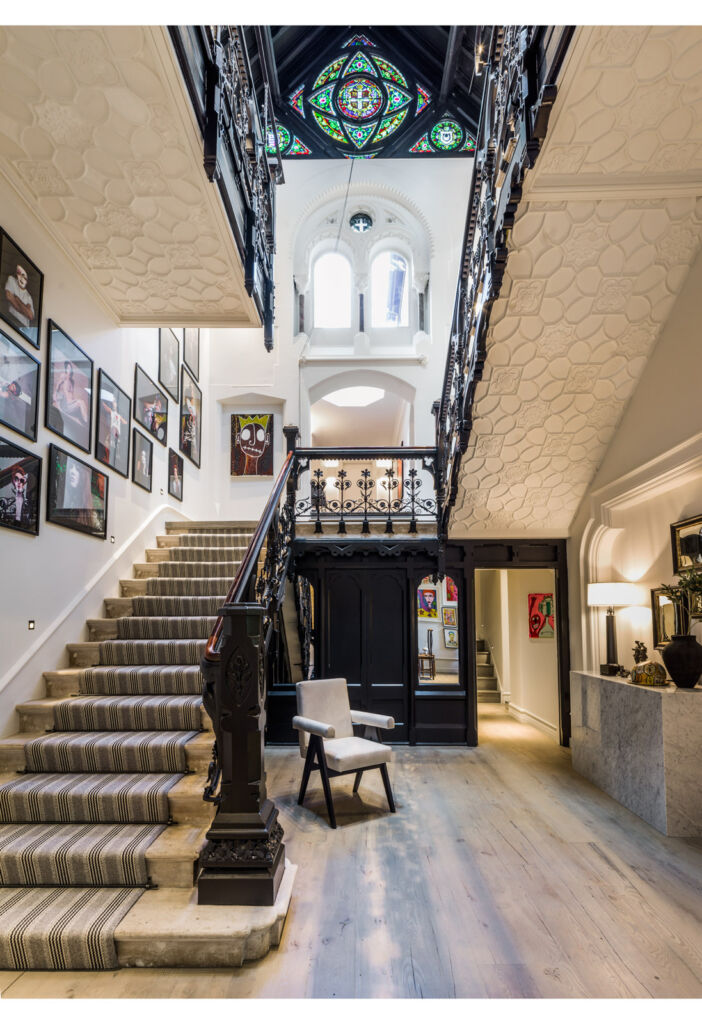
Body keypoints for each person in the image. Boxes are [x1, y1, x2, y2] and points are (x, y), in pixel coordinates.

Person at [53, 360, 88, 426]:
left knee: (81, 402)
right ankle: (86, 422)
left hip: (71, 403)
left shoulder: (72, 381)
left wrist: (75, 400)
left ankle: (85, 421)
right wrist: (56, 397)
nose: (69, 370)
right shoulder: (64, 376)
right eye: (68, 368)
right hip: (66, 405)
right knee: (81, 402)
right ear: (66, 368)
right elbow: (57, 387)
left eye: (70, 368)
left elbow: (72, 394)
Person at [5, 263, 34, 331]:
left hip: (24, 328)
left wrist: (17, 299)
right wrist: (25, 309)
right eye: (18, 273)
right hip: (11, 320)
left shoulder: (28, 297)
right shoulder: (11, 280)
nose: (21, 277)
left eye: (23, 275)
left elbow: (30, 316)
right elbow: (9, 296)